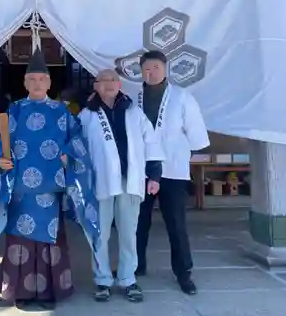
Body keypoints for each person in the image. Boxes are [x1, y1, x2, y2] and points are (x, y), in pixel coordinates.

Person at [0, 47, 100, 311]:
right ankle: (20, 291)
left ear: (49, 83)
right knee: (21, 242)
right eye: (31, 79)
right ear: (24, 83)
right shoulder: (14, 111)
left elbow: (77, 141)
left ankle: (49, 291)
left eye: (42, 79)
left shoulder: (62, 112)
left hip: (50, 190)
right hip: (20, 190)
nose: (37, 83)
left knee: (49, 241)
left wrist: (69, 156)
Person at [79, 69, 163, 303]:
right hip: (100, 183)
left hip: (130, 180)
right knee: (100, 233)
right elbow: (77, 149)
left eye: (114, 80)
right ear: (95, 86)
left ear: (120, 84)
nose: (110, 84)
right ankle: (103, 279)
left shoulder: (134, 112)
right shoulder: (87, 115)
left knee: (128, 232)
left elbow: (151, 143)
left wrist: (154, 174)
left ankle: (128, 278)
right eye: (104, 80)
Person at [135, 50, 210, 295]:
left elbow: (196, 134)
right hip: (141, 170)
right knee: (137, 222)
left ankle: (183, 272)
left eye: (155, 67)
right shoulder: (133, 98)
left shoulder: (182, 97)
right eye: (146, 68)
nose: (151, 72)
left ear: (165, 69)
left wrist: (188, 156)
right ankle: (135, 266)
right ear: (141, 71)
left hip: (173, 170)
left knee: (176, 224)